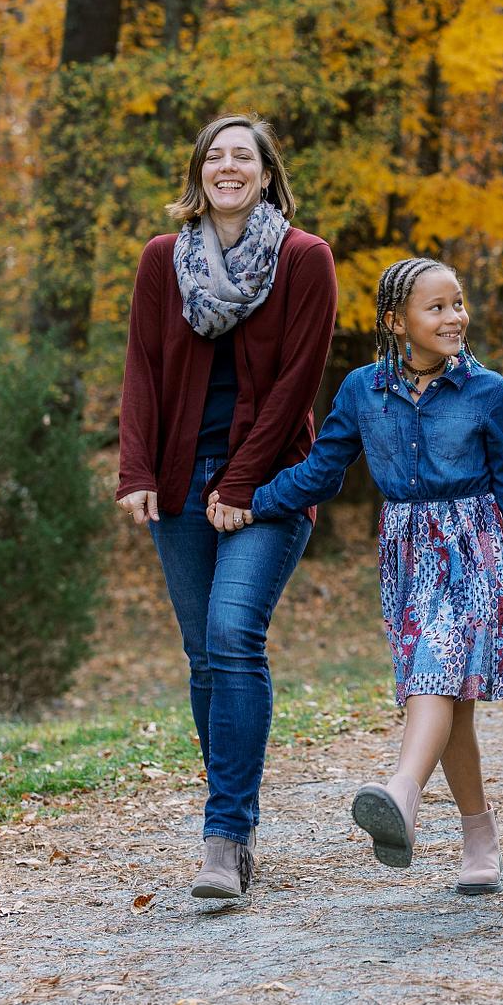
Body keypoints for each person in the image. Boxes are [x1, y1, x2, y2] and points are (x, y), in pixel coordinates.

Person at [231, 257, 503, 896]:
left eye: (458, 303)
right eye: (437, 308)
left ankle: (402, 792)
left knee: (435, 674)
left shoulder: (487, 393)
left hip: (474, 553)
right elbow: (322, 471)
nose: (455, 317)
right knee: (446, 701)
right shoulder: (360, 391)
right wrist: (251, 500)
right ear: (395, 321)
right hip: (408, 554)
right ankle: (479, 836)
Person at [116, 114, 338, 903]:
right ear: (198, 174)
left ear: (268, 173)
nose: (228, 165)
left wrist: (242, 485)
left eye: (243, 154)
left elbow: (297, 384)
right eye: (215, 155)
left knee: (232, 635)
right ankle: (234, 824)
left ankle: (225, 835)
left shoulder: (305, 259)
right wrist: (136, 467)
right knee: (202, 655)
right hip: (178, 480)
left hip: (270, 482)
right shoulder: (162, 260)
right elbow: (142, 367)